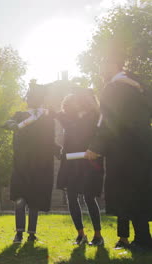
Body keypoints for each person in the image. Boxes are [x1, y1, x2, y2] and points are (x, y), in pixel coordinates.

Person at [85, 51, 152, 251]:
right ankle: (143, 237)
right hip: (144, 144)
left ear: (113, 65)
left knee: (128, 192)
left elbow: (108, 121)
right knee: (141, 190)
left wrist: (95, 147)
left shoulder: (113, 88)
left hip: (124, 149)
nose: (99, 70)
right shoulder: (140, 85)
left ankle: (142, 240)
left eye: (102, 65)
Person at [2, 85, 61, 243]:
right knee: (20, 199)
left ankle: (32, 234)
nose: (31, 100)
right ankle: (19, 233)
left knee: (35, 200)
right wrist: (11, 124)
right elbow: (7, 123)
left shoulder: (47, 119)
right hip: (21, 163)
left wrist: (59, 151)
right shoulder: (21, 115)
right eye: (30, 97)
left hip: (40, 165)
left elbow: (50, 141)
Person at [55, 91, 104, 246]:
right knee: (71, 197)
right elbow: (60, 117)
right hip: (71, 162)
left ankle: (98, 236)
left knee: (89, 197)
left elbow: (99, 136)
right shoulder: (70, 118)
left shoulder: (95, 117)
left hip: (88, 161)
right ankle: (80, 235)